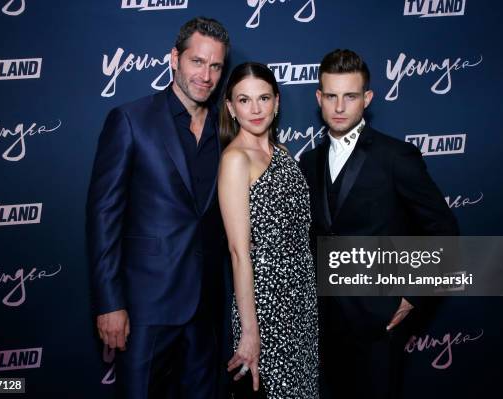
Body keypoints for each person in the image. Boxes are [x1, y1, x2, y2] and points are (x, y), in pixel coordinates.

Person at [299, 49, 459, 399]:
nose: (340, 107)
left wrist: (411, 297)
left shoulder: (395, 156)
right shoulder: (309, 161)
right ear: (319, 98)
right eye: (331, 96)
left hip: (378, 322)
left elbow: (444, 231)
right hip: (325, 324)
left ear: (367, 99)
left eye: (350, 96)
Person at [86, 17, 229, 399]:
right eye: (197, 62)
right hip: (145, 307)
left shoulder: (226, 129)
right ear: (174, 59)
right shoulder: (131, 120)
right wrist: (109, 303)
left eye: (215, 66)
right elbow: (103, 217)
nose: (206, 75)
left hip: (206, 308)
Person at [217, 62, 319, 398]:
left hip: (300, 299)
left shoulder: (285, 154)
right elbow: (238, 252)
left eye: (263, 98)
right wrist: (249, 332)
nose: (255, 109)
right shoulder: (235, 160)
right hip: (263, 304)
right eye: (244, 100)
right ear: (231, 108)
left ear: (276, 102)